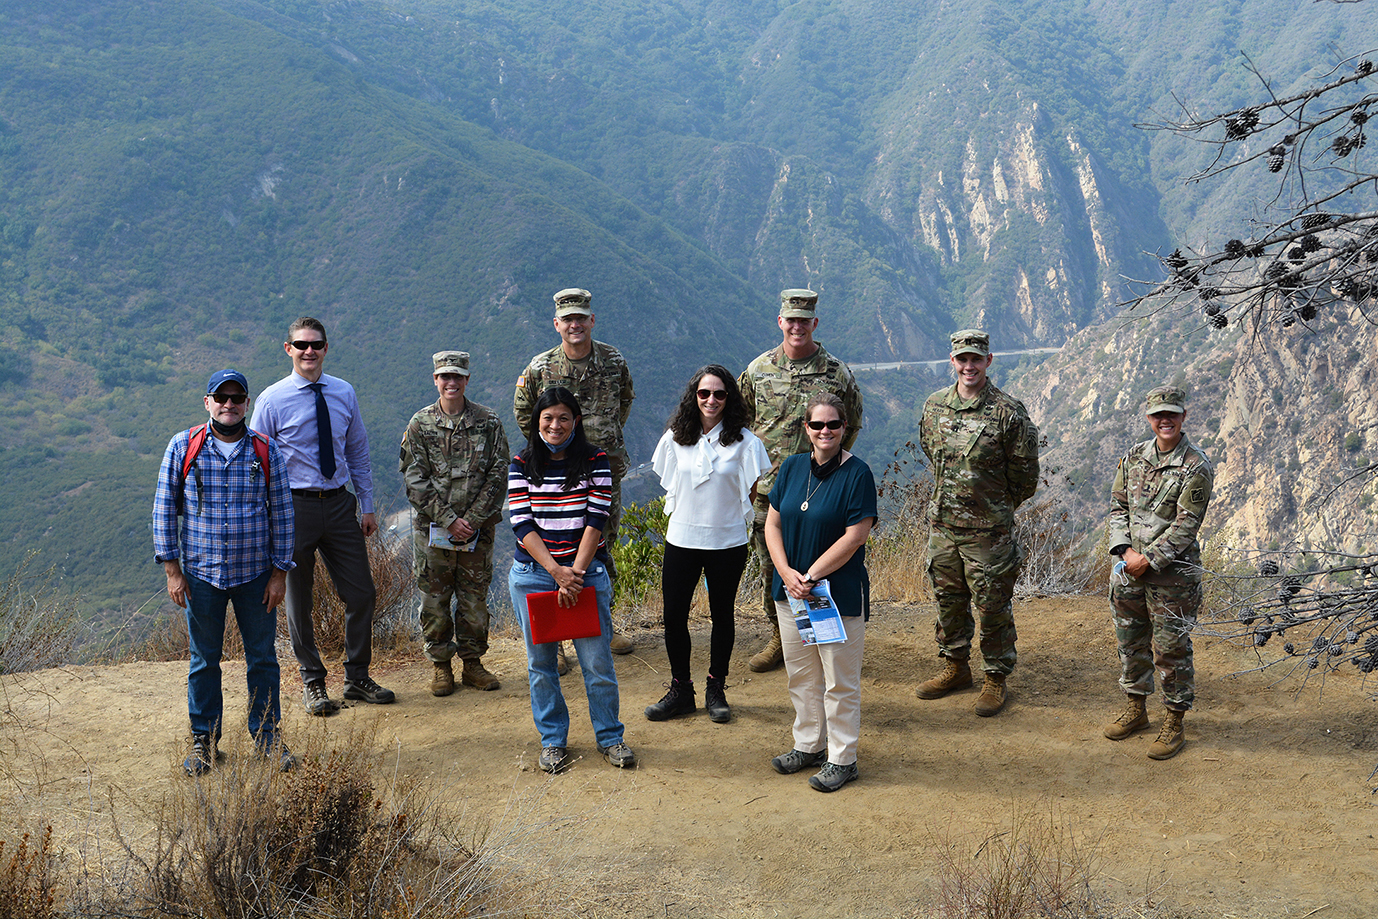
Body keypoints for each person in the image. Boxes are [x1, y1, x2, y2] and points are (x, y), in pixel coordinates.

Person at [153, 369, 296, 775]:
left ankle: (267, 738)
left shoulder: (265, 451)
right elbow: (164, 508)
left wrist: (280, 574)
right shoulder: (184, 446)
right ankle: (203, 742)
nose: (229, 405)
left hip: (255, 576)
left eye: (237, 398)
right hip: (201, 575)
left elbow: (284, 514)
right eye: (222, 398)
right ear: (208, 402)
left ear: (247, 403)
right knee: (203, 660)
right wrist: (172, 571)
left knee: (263, 658)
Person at [252, 317, 395, 714]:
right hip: (292, 507)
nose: (308, 351)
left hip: (338, 502)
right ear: (288, 349)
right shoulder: (271, 399)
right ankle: (313, 681)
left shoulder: (343, 392)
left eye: (316, 344)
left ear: (326, 348)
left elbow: (357, 451)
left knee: (361, 591)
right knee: (299, 598)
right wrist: (265, 516)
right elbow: (258, 461)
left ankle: (357, 677)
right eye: (301, 345)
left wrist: (366, 504)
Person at [507, 387, 635, 773]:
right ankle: (552, 742)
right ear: (536, 422)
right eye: (547, 418)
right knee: (541, 664)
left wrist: (574, 574)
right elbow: (521, 523)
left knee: (596, 662)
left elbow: (597, 518)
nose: (555, 425)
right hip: (534, 575)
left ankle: (611, 737)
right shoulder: (521, 462)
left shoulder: (595, 460)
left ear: (575, 421)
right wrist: (556, 572)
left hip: (584, 575)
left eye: (563, 417)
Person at [739, 288, 864, 674]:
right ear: (780, 321)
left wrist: (830, 470)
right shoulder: (758, 370)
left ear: (815, 323)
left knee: (821, 566)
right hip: (770, 492)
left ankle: (826, 637)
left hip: (824, 493)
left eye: (804, 320)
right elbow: (741, 424)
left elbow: (852, 422)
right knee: (772, 568)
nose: (797, 326)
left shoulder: (835, 372)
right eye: (790, 319)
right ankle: (782, 637)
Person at [915, 329, 1039, 717]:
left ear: (988, 361)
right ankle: (955, 668)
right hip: (943, 526)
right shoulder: (934, 407)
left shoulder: (1007, 412)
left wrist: (994, 509)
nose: (969, 366)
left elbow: (1025, 476)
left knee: (992, 605)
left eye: (976, 359)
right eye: (962, 359)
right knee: (948, 601)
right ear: (952, 362)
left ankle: (995, 678)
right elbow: (931, 455)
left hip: (988, 532)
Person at [514, 288, 636, 664]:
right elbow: (525, 415)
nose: (575, 324)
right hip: (555, 480)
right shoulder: (540, 368)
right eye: (567, 319)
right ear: (557, 324)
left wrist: (599, 447)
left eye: (581, 317)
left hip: (604, 472)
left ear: (591, 320)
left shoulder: (613, 360)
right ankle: (557, 636)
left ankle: (601, 623)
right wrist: (556, 454)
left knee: (600, 545)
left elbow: (625, 401)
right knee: (553, 548)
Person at [645, 365, 770, 724]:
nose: (711, 400)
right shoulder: (674, 438)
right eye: (704, 393)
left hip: (727, 542)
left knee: (723, 615)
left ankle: (716, 688)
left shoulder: (747, 443)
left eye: (719, 393)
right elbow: (671, 484)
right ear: (693, 397)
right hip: (682, 539)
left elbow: (750, 491)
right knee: (673, 617)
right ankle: (681, 689)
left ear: (729, 398)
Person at [765, 393, 876, 793]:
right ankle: (808, 745)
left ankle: (842, 759)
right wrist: (786, 572)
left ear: (845, 429)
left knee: (839, 680)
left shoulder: (857, 474)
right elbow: (772, 525)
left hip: (836, 595)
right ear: (806, 429)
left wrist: (809, 575)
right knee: (802, 675)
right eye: (817, 425)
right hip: (791, 592)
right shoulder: (793, 468)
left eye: (833, 425)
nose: (825, 431)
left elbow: (856, 536)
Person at [1104, 385, 1214, 760]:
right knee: (1131, 641)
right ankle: (1136, 709)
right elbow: (1118, 506)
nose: (1164, 420)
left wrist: (1146, 559)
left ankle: (1174, 722)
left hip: (1172, 578)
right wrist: (1125, 551)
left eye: (1172, 414)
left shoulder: (1196, 466)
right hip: (1129, 570)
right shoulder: (1134, 457)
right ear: (1148, 418)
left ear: (1184, 416)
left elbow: (1186, 526)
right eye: (1157, 415)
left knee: (1171, 650)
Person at [399, 350, 510, 697]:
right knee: (434, 601)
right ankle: (441, 667)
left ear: (467, 380)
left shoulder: (488, 422)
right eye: (444, 376)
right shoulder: (420, 424)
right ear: (435, 380)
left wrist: (472, 521)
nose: (451, 382)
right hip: (433, 533)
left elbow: (499, 472)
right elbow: (414, 479)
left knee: (474, 599)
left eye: (457, 376)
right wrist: (448, 520)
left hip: (477, 533)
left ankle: (473, 664)